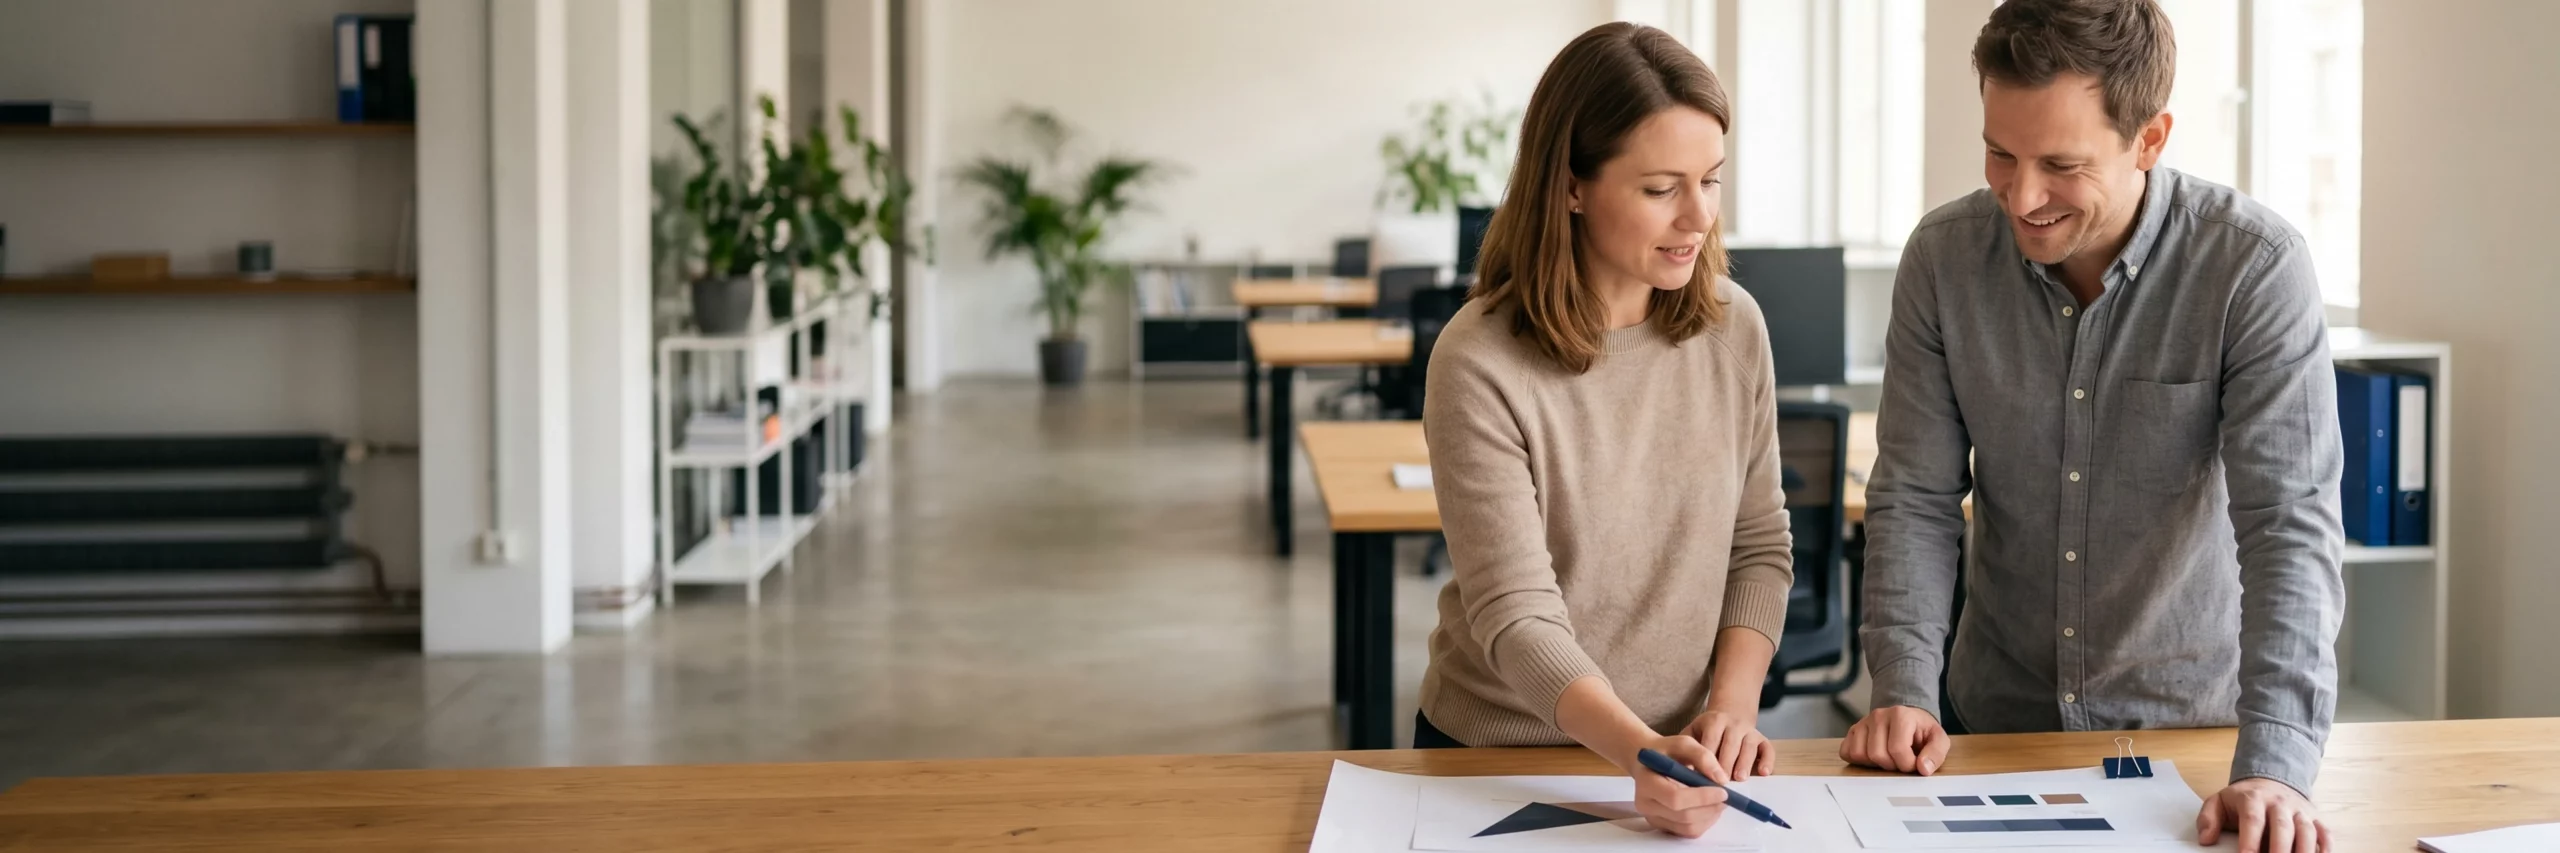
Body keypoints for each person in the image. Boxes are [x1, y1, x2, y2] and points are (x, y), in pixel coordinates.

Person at [1845, 2, 2344, 851]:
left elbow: (2288, 528)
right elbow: (1916, 499)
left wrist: (2275, 763)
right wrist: (1903, 687)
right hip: (1987, 727)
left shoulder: (2251, 268)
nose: (2022, 195)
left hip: (2191, 736)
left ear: (2149, 140)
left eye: (2061, 164)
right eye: (2000, 153)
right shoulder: (1944, 259)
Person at [1416, 21, 1793, 841]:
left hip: (1686, 754)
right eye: (1662, 188)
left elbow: (1759, 543)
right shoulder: (1478, 359)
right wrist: (1639, 752)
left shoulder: (1736, 327)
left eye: (1712, 180)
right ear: (1571, 186)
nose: (1698, 216)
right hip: (1500, 757)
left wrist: (1728, 711)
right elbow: (1516, 614)